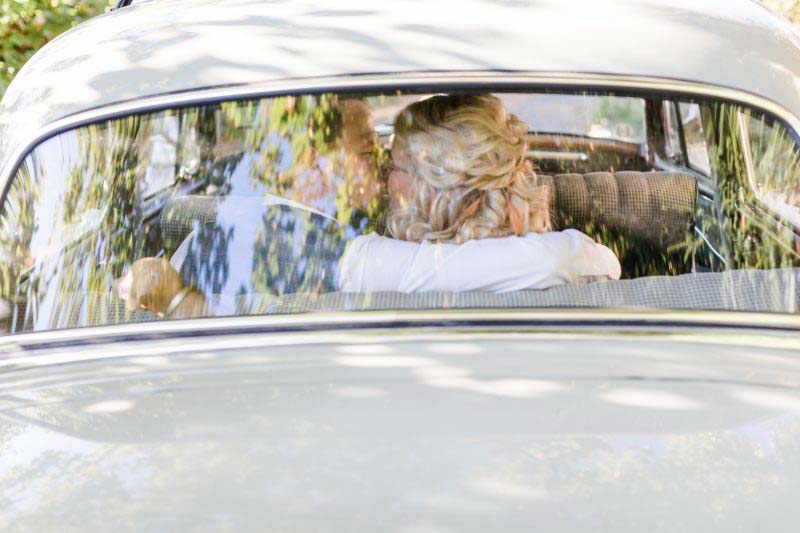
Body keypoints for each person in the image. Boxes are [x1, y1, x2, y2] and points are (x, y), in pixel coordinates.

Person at [336, 93, 621, 292]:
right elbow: (602, 263)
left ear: (435, 188)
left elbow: (348, 263)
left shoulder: (372, 266)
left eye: (394, 165)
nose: (385, 174)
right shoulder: (573, 258)